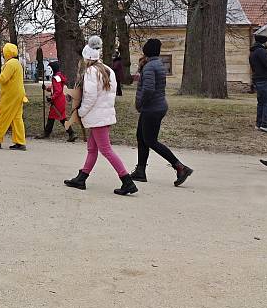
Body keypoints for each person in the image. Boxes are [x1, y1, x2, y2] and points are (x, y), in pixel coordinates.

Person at [64, 40, 137, 195]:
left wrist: (81, 112)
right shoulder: (108, 70)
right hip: (105, 114)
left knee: (106, 149)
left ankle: (127, 180)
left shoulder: (91, 72)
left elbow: (90, 96)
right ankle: (82, 178)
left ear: (87, 57)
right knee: (92, 148)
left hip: (97, 116)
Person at [129, 38, 194, 186]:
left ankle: (180, 167)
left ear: (147, 51)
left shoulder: (150, 66)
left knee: (150, 140)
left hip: (152, 108)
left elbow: (149, 90)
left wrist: (140, 103)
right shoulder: (156, 63)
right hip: (155, 106)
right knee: (141, 136)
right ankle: (140, 171)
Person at [0, 42, 27, 150]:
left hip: (11, 95)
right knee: (16, 119)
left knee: (3, 116)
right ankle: (20, 142)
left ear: (7, 52)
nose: (3, 54)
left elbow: (3, 78)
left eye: (4, 52)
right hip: (18, 94)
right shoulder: (16, 63)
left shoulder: (11, 64)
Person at [35, 61, 77, 141]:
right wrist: (46, 88)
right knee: (56, 117)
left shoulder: (55, 78)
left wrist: (52, 97)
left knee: (59, 118)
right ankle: (48, 132)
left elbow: (58, 90)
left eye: (51, 68)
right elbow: (54, 88)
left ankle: (71, 133)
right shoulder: (59, 76)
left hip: (57, 101)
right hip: (60, 100)